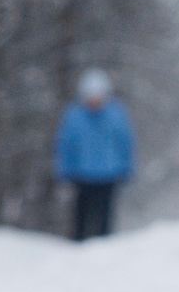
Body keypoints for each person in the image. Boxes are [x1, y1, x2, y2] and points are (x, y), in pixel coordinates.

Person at [53, 69, 134, 241]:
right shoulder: (74, 116)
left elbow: (125, 142)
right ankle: (78, 247)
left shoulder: (116, 114)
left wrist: (126, 167)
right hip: (82, 175)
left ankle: (105, 248)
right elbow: (66, 145)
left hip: (108, 175)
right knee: (81, 217)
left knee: (105, 218)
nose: (94, 101)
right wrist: (65, 170)